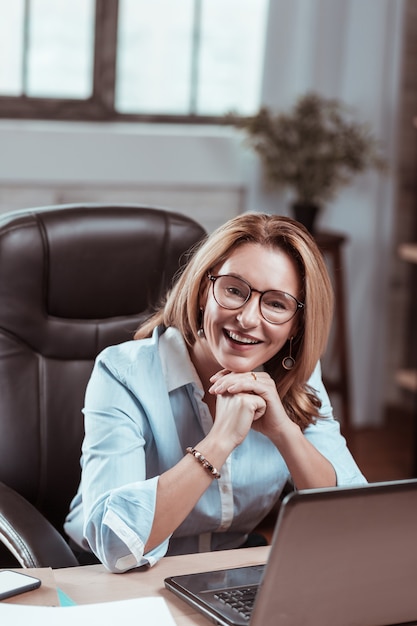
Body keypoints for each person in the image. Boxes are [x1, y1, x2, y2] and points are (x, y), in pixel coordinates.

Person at [64, 212, 366, 572]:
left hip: (226, 571)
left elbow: (352, 519)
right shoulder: (123, 373)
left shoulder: (296, 376)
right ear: (204, 290)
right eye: (234, 290)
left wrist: (284, 432)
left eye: (276, 304)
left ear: (296, 325)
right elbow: (116, 546)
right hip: (111, 575)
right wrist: (219, 442)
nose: (248, 318)